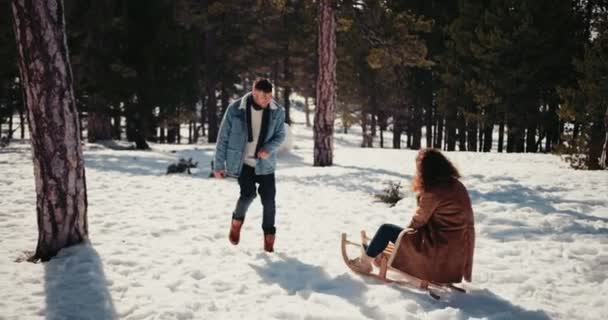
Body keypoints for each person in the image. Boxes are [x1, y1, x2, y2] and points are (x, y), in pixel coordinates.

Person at [349, 148, 475, 284]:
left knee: (386, 230)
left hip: (436, 253)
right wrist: (466, 268)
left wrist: (401, 240)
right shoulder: (458, 186)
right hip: (453, 257)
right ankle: (379, 253)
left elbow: (418, 221)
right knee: (396, 234)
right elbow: (469, 226)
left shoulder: (434, 191)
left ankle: (365, 262)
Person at [213, 79, 286, 253]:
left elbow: (280, 135)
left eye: (269, 97)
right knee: (248, 195)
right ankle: (236, 222)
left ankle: (269, 239)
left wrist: (268, 148)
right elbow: (223, 137)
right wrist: (218, 165)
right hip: (243, 162)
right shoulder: (235, 109)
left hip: (265, 164)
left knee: (269, 202)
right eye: (263, 97)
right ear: (254, 92)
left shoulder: (277, 111)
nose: (267, 101)